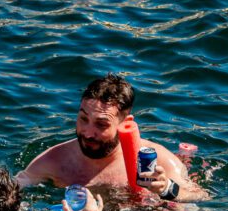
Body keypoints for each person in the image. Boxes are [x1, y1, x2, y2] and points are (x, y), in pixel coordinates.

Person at [16, 73, 209, 202]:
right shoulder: (55, 160)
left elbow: (201, 196)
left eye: (101, 124)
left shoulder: (157, 159)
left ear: (126, 123)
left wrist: (166, 188)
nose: (88, 132)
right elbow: (14, 188)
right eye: (83, 119)